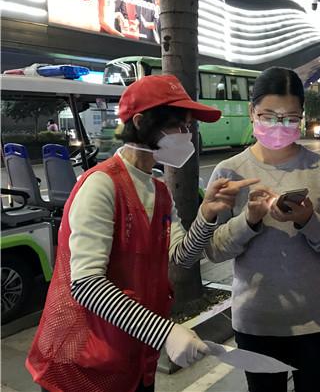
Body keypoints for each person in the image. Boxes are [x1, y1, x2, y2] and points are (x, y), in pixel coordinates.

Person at [26, 75, 258, 392]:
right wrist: (165, 333)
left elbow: (181, 257)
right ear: (140, 122)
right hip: (80, 362)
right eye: (178, 126)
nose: (187, 135)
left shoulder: (159, 190)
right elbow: (86, 285)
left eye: (188, 127)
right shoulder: (101, 185)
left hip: (130, 354)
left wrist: (206, 215)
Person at [204, 67, 320, 392]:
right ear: (252, 112)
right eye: (268, 116)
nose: (278, 125)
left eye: (289, 118)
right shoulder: (229, 172)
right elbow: (213, 249)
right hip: (256, 324)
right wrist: (248, 220)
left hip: (317, 322)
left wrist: (309, 220)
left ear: (302, 116)